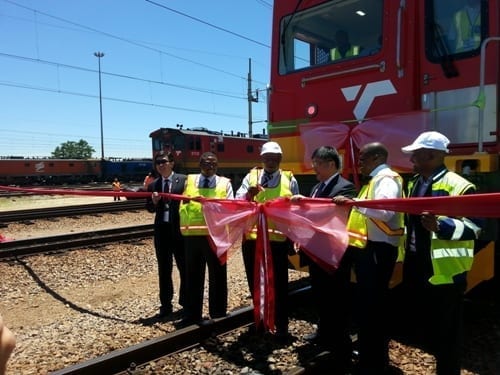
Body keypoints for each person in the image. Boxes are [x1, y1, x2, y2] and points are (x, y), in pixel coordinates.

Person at [400, 131, 482, 375]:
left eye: (417, 153)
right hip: (418, 265)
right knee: (431, 329)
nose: (412, 157)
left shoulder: (460, 186)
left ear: (433, 155)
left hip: (446, 271)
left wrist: (441, 227)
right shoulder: (414, 183)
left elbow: (476, 226)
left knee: (448, 333)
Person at [333, 142, 404, 374]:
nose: (359, 163)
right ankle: (370, 357)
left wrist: (355, 204)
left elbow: (385, 211)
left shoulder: (385, 179)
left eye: (363, 158)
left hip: (377, 251)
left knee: (372, 308)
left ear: (376, 158)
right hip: (369, 250)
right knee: (368, 307)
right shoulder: (375, 180)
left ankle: (373, 362)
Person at [295, 146, 357, 373]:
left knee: (337, 298)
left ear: (330, 164)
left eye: (317, 164)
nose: (314, 168)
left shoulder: (345, 187)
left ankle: (340, 343)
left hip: (334, 255)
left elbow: (340, 215)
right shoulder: (315, 188)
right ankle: (323, 331)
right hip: (316, 253)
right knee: (320, 294)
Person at [235, 141, 300, 340]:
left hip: (277, 242)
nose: (271, 162)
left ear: (280, 160)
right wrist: (248, 194)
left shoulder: (289, 179)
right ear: (261, 159)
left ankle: (281, 325)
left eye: (274, 158)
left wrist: (295, 237)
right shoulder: (251, 177)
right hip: (253, 241)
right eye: (267, 158)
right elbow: (238, 202)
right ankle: (261, 321)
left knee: (279, 285)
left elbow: (297, 209)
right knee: (256, 282)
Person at [178, 152, 234, 325]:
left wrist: (210, 203)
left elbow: (230, 207)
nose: (209, 166)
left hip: (216, 236)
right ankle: (192, 314)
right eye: (206, 163)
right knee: (192, 276)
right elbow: (180, 202)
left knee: (218, 275)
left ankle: (218, 312)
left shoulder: (225, 183)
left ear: (217, 165)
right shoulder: (189, 181)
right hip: (192, 236)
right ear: (199, 164)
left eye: (213, 163)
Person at [144, 152, 187, 320]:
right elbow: (149, 208)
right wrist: (154, 203)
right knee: (164, 269)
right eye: (157, 163)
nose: (161, 165)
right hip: (162, 232)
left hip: (180, 231)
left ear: (172, 163)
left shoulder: (184, 181)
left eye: (163, 162)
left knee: (184, 268)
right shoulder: (153, 185)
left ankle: (186, 302)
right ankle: (166, 304)